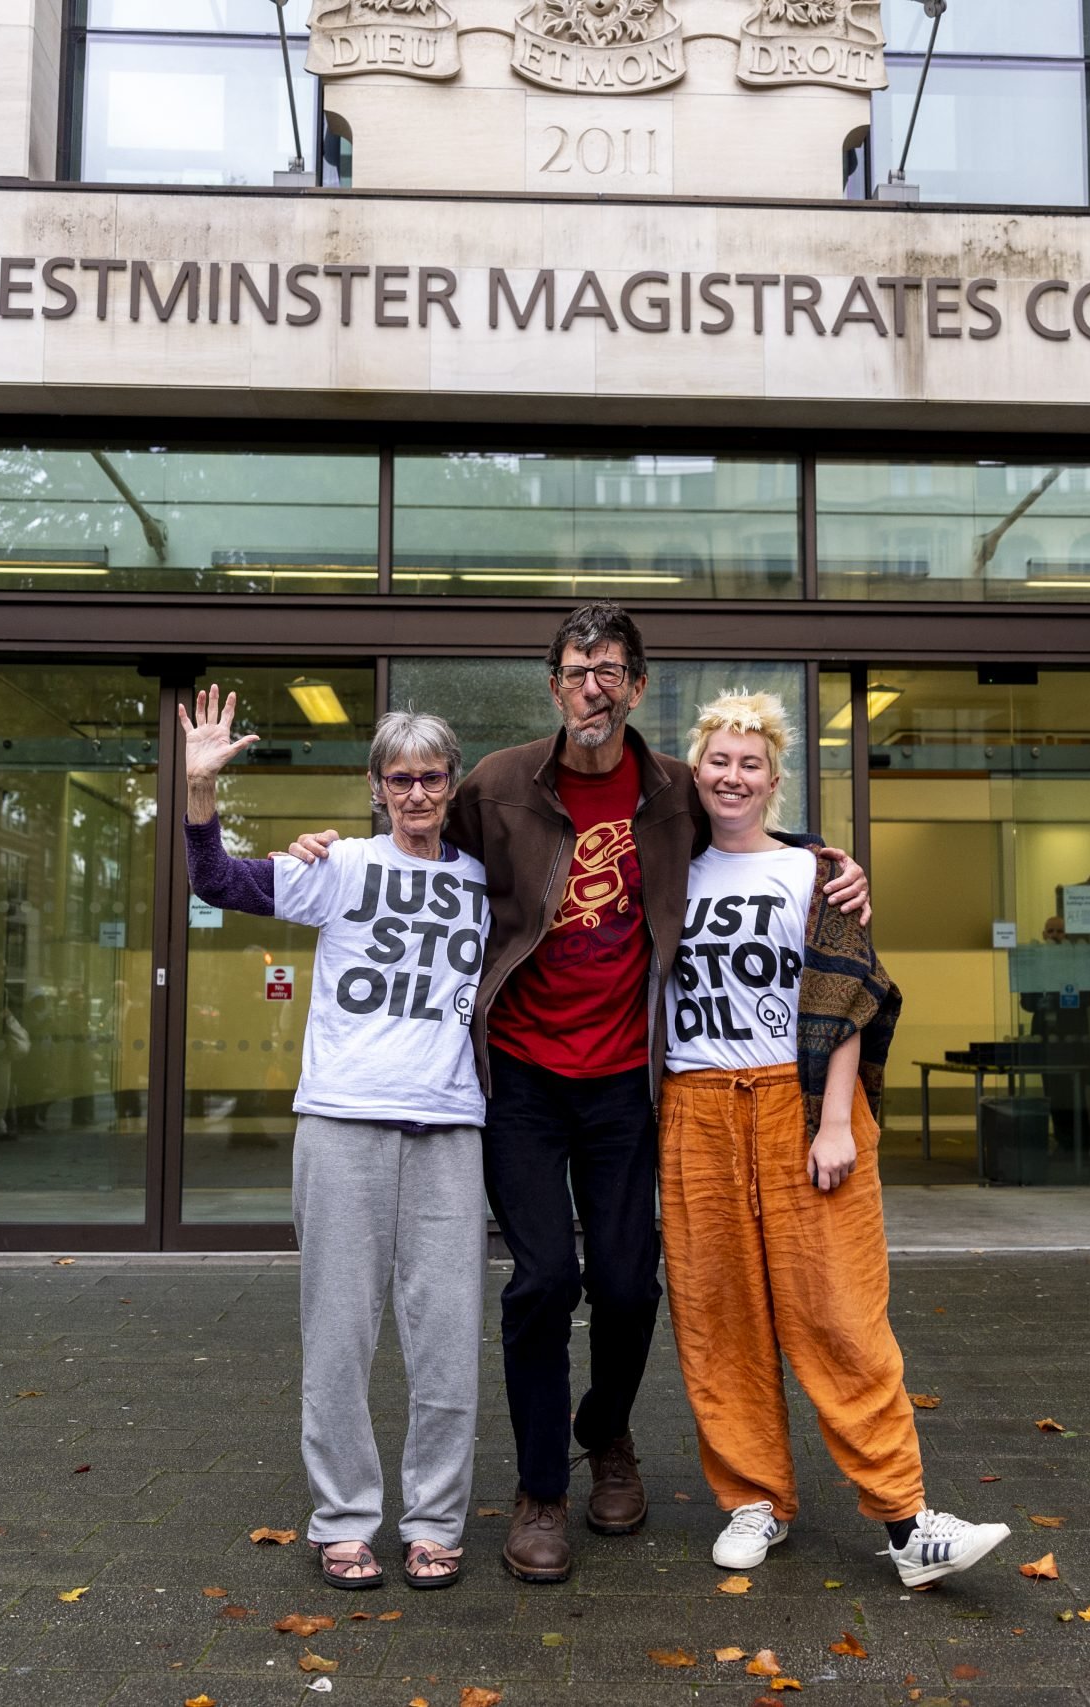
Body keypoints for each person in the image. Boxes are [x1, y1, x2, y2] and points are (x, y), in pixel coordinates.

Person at [287, 603, 867, 1584]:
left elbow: (744, 828)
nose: (590, 687)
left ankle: (608, 1437)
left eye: (608, 671)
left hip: (628, 1081)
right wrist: (321, 851)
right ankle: (541, 1490)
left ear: (636, 686)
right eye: (573, 671)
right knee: (545, 1280)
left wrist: (825, 862)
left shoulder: (679, 791)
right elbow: (417, 843)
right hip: (517, 1077)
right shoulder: (499, 783)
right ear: (552, 685)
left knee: (633, 1282)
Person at [659, 688, 1011, 1590]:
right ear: (695, 771)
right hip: (695, 1108)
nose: (732, 775)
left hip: (801, 1100)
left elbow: (850, 998)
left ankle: (906, 1520)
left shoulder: (817, 874)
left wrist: (833, 1122)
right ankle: (753, 1498)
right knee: (718, 1312)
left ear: (774, 779)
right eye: (718, 760)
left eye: (750, 763)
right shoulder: (662, 874)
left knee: (841, 1312)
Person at [178, 687, 488, 1592]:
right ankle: (344, 1518)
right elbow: (219, 882)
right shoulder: (341, 864)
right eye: (403, 777)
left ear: (453, 783)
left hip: (449, 1129)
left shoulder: (483, 881)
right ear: (377, 786)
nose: (420, 793)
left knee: (446, 1340)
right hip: (343, 1123)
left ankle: (434, 1520)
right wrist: (199, 791)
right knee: (340, 1333)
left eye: (433, 776)